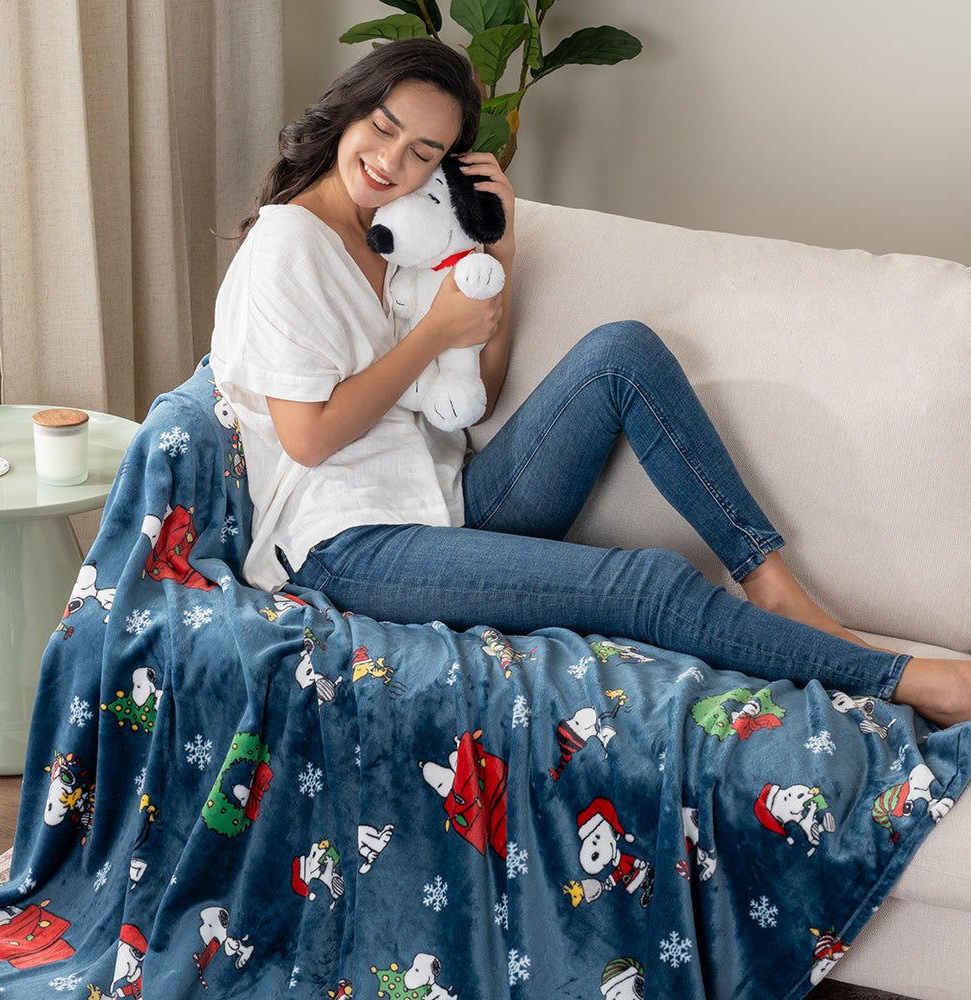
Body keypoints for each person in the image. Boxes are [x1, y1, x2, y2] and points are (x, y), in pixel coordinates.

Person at [210, 38, 971, 728]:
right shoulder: (289, 245)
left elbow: (478, 390)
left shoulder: (400, 231)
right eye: (382, 126)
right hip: (348, 549)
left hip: (446, 502)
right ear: (348, 110)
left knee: (622, 352)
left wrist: (499, 261)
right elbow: (308, 437)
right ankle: (902, 679)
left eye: (422, 150)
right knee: (643, 585)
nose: (390, 159)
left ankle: (770, 581)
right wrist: (435, 332)